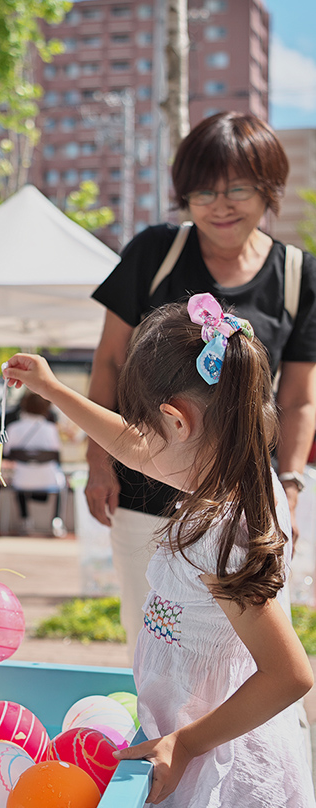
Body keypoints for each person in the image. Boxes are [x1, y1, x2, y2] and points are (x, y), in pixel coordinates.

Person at [4, 296, 316, 808]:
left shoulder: (224, 535)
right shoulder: (233, 469)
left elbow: (290, 673)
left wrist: (187, 743)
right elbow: (135, 448)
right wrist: (54, 390)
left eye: (147, 426)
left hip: (218, 760)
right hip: (195, 736)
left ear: (175, 419)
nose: (137, 442)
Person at [86, 111, 316, 654]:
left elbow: (299, 397)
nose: (221, 204)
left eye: (238, 187)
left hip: (245, 506)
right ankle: (163, 742)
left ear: (268, 190)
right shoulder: (154, 252)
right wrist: (99, 463)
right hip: (146, 493)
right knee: (151, 643)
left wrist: (289, 486)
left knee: (241, 654)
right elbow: (110, 364)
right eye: (203, 191)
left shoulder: (298, 275)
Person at [4, 390, 66, 536]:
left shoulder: (13, 428)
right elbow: (57, 453)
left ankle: (25, 520)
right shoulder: (50, 429)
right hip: (49, 479)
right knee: (62, 484)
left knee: (18, 478)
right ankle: (56, 521)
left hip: (22, 480)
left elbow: (7, 453)